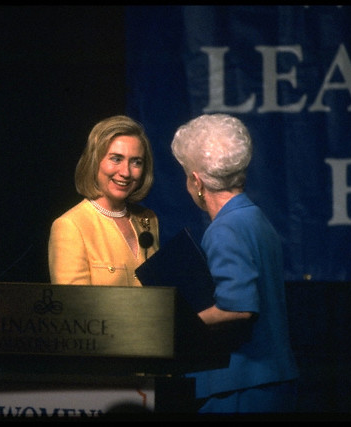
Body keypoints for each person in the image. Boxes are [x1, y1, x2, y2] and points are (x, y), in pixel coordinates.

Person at [170, 113, 299, 413]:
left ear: (196, 181)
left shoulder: (225, 228)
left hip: (240, 388)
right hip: (269, 382)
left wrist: (176, 325)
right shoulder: (255, 217)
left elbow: (238, 307)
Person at [48, 115, 159, 286]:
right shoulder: (70, 226)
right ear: (94, 161)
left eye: (136, 162)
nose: (126, 172)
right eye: (116, 159)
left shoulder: (148, 219)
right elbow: (75, 309)